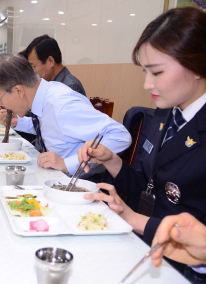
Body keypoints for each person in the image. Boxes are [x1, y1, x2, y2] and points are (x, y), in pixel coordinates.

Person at [77, 7, 206, 280]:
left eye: (157, 72)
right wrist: (111, 160)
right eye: (145, 71)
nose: (147, 84)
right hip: (142, 247)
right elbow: (149, 186)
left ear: (198, 66)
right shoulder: (165, 113)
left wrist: (134, 219)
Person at [0, 54, 130, 176]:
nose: (1, 103)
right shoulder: (44, 94)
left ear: (19, 91)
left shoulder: (62, 105)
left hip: (79, 185)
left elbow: (120, 135)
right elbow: (53, 127)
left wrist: (67, 164)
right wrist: (18, 122)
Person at [19, 35, 86, 96]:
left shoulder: (70, 87)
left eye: (34, 66)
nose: (34, 72)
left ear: (50, 61)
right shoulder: (49, 84)